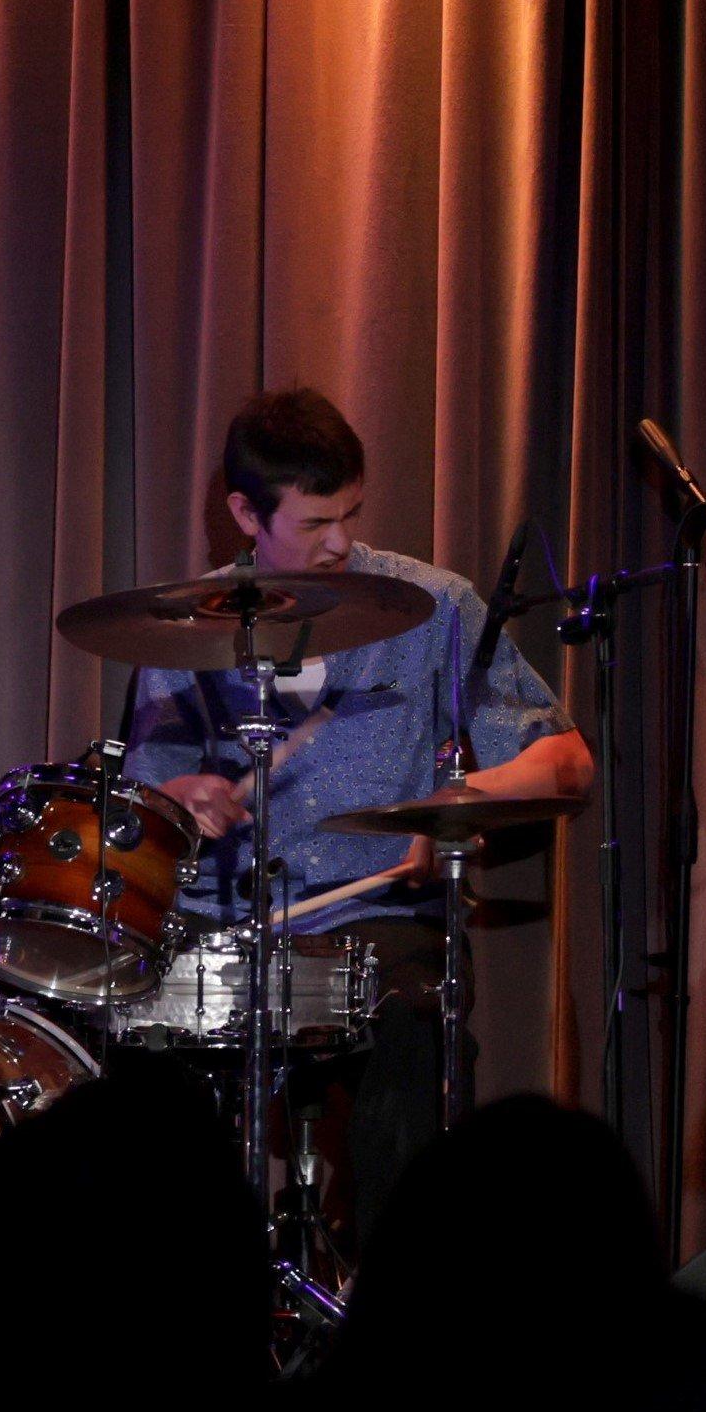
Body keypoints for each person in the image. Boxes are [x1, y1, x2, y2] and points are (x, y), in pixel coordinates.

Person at [125, 388, 593, 1238]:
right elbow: (150, 805)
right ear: (244, 513)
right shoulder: (181, 631)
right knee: (131, 1079)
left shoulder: (431, 610)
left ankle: (399, 1312)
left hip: (376, 917)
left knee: (412, 1039)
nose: (340, 541)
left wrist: (455, 806)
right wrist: (175, 798)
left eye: (350, 515)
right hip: (219, 929)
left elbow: (564, 761)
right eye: (314, 523)